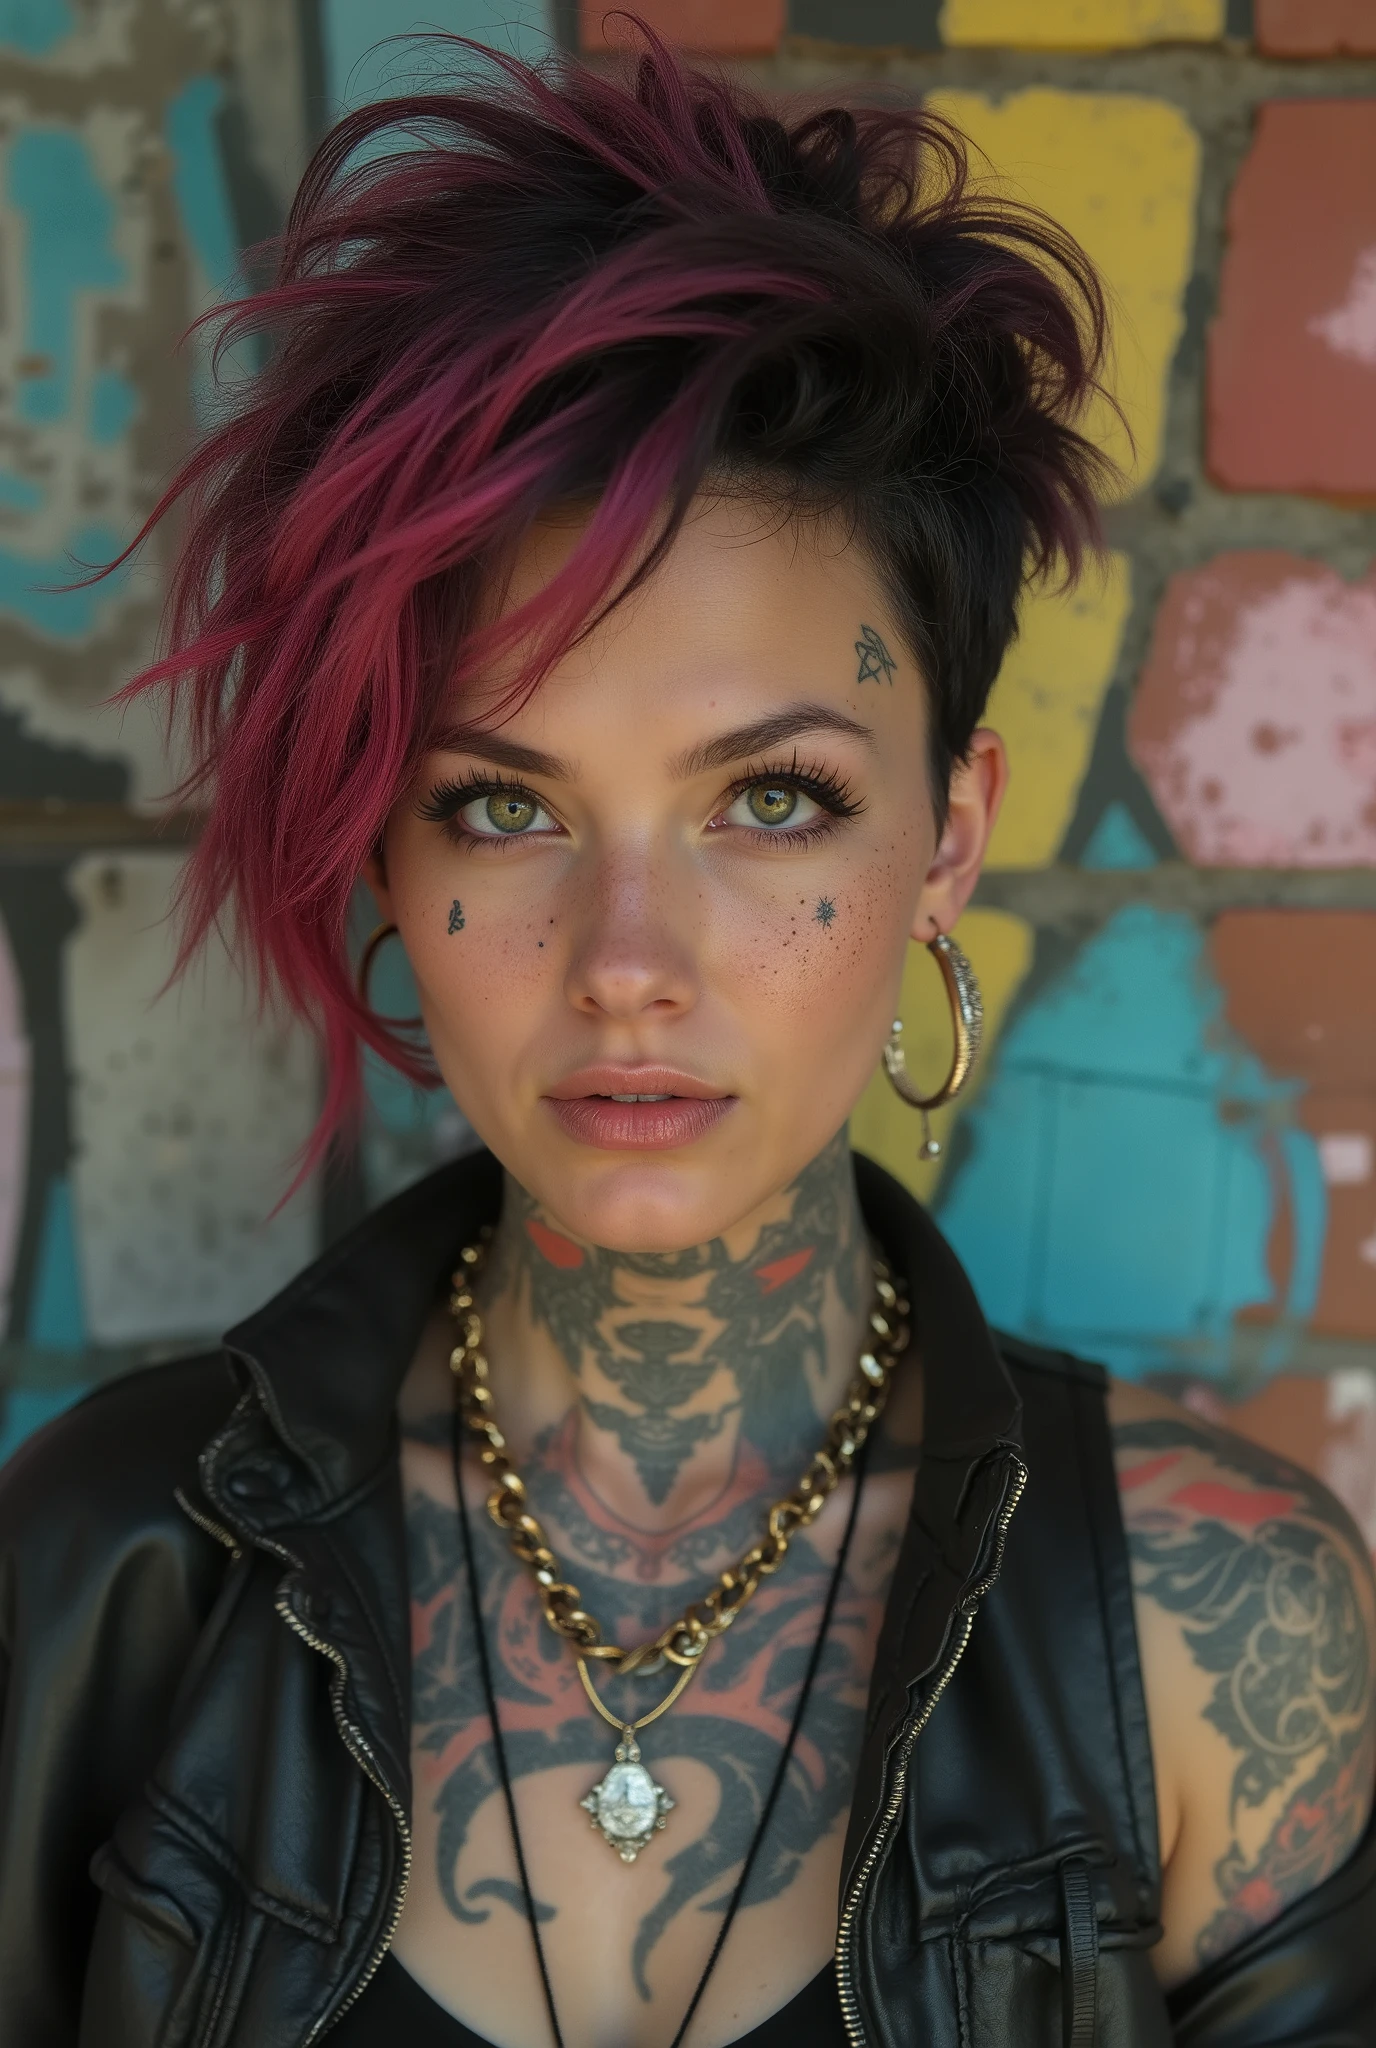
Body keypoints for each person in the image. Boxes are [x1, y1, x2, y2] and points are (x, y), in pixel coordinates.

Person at [1, 27, 1373, 2048]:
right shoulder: (114, 1574)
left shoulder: (1202, 1622)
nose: (624, 958)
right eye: (500, 803)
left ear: (946, 837)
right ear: (385, 853)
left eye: (771, 799)